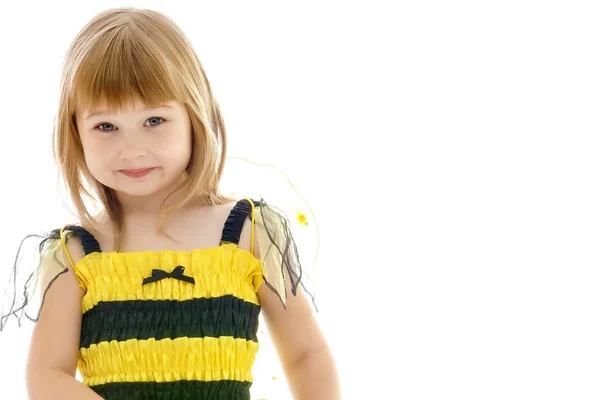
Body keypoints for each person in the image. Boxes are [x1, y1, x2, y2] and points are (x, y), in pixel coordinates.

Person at [0, 7, 339, 400]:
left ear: (194, 116)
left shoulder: (250, 232)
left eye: (154, 121)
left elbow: (305, 354)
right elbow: (46, 375)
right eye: (106, 126)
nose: (132, 150)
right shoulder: (75, 253)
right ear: (75, 133)